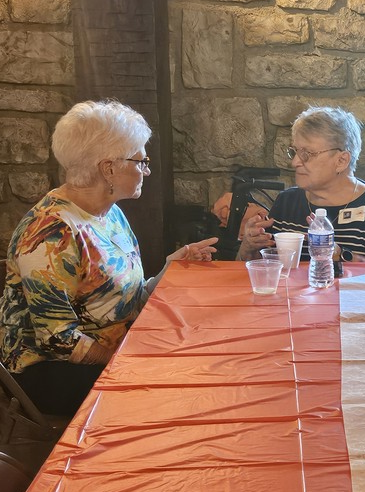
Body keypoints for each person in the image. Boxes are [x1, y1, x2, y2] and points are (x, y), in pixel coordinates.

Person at [1, 100, 218, 417]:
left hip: (112, 346)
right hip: (49, 372)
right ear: (108, 168)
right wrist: (127, 359)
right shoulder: (52, 234)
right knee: (179, 387)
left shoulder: (108, 213)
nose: (146, 170)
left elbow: (121, 299)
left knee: (201, 353)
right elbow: (58, 340)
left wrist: (168, 269)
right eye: (140, 161)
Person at [237, 107, 365, 264]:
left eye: (307, 153)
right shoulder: (287, 202)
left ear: (341, 161)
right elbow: (261, 271)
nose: (295, 162)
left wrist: (341, 255)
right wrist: (249, 248)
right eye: (294, 152)